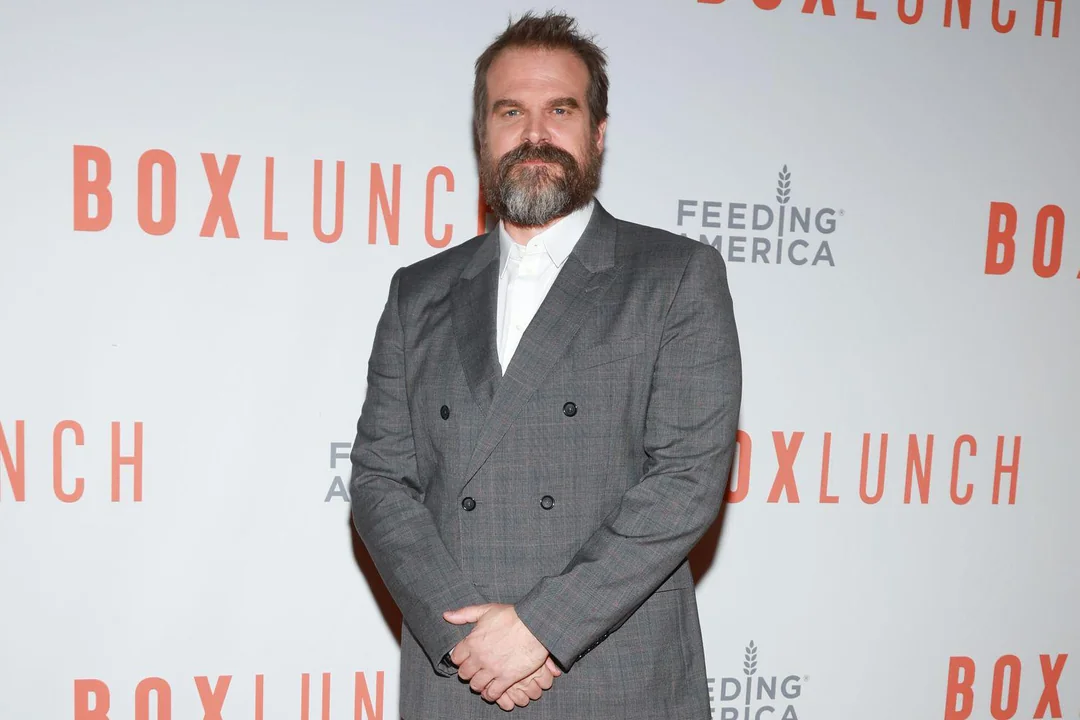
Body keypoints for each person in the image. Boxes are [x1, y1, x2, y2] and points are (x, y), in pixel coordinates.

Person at [349, 10, 742, 719]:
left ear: (598, 132)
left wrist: (541, 630)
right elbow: (380, 480)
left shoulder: (675, 275)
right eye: (511, 112)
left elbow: (686, 480)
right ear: (482, 134)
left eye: (560, 110)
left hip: (614, 671)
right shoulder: (418, 292)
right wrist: (462, 635)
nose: (535, 134)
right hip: (459, 673)